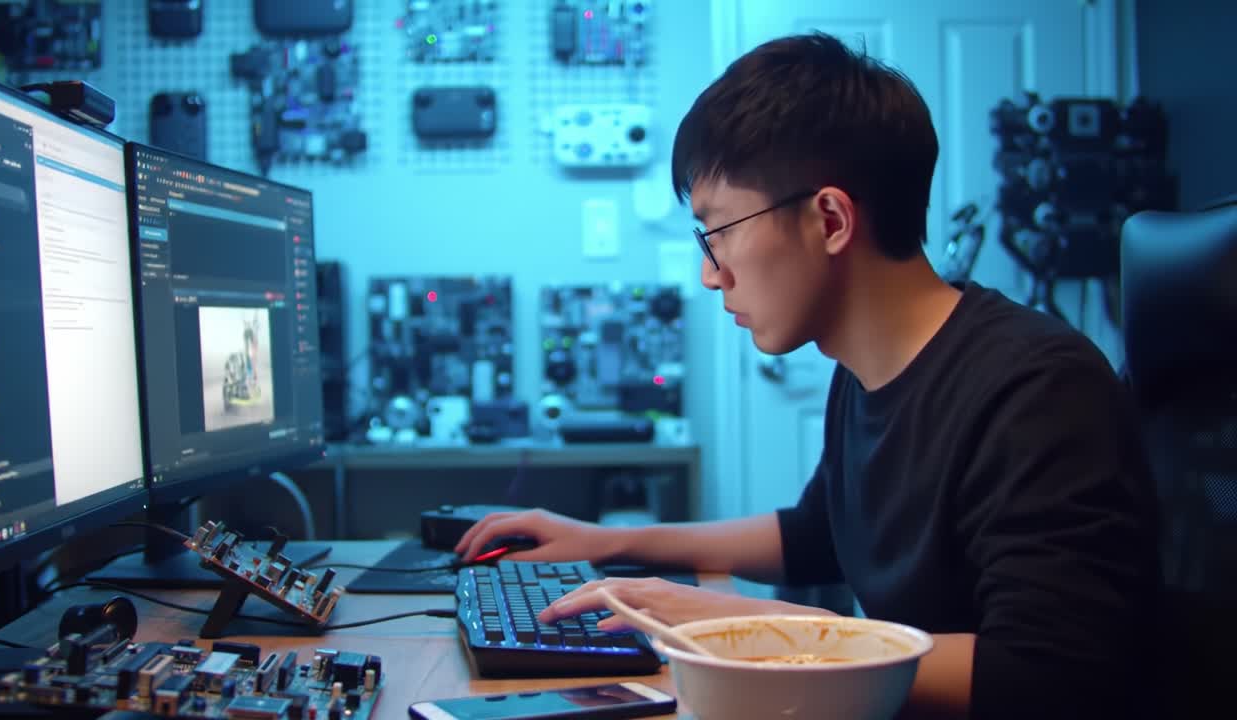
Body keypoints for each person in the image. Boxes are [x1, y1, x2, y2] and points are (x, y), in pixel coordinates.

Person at [456, 33, 1161, 719]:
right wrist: (605, 543)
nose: (709, 273)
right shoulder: (865, 372)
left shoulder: (1035, 390)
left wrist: (741, 629)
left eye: (719, 230)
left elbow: (1046, 674)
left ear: (829, 219)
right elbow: (815, 533)